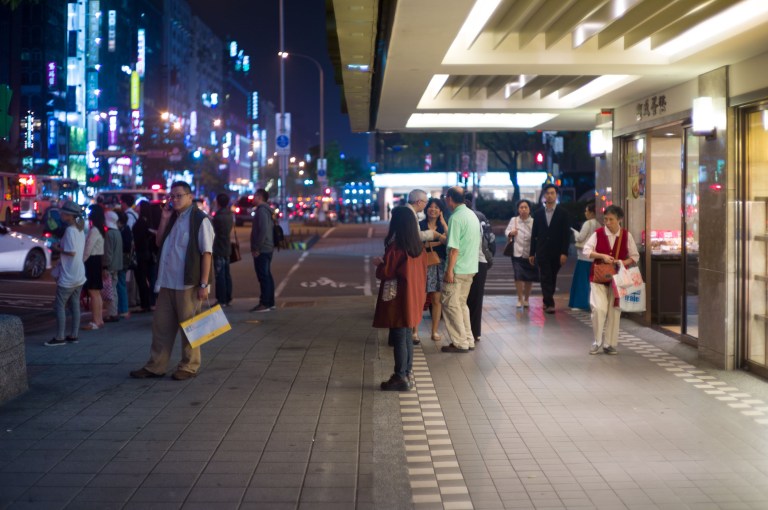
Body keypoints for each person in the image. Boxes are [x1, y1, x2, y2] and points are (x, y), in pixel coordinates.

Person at [129, 181, 214, 381]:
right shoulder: (172, 218)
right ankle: (156, 365)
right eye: (172, 196)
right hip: (167, 282)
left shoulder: (200, 220)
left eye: (179, 195)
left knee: (190, 328)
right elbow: (158, 243)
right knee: (161, 327)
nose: (174, 199)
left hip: (188, 284)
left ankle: (189, 365)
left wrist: (203, 284)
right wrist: (165, 219)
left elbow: (207, 253)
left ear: (190, 197)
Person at [373, 206, 427, 391]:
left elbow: (386, 272)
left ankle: (400, 376)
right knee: (406, 335)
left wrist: (380, 264)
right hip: (413, 295)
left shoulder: (397, 248)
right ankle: (406, 371)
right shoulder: (418, 247)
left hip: (398, 297)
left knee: (398, 335)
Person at [583, 205, 639, 355]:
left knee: (615, 310)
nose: (607, 222)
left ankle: (610, 344)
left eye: (611, 219)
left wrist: (621, 262)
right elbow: (586, 250)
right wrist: (602, 256)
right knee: (598, 308)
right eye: (606, 219)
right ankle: (597, 341)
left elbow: (635, 256)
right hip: (598, 276)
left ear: (619, 220)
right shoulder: (598, 233)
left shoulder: (626, 235)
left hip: (618, 278)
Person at [440, 186, 480, 353]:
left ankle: (460, 342)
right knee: (462, 305)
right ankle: (468, 339)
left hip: (458, 268)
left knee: (450, 305)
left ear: (449, 198)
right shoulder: (472, 215)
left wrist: (449, 270)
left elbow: (454, 248)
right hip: (470, 267)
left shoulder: (455, 218)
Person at [45, 201, 87, 346]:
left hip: (69, 274)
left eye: (63, 213)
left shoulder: (70, 231)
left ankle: (60, 337)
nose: (61, 214)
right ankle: (74, 335)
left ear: (69, 215)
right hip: (79, 273)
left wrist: (57, 248)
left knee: (59, 305)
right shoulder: (80, 229)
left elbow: (71, 251)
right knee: (74, 304)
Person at [529, 184, 571, 314]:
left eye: (552, 193)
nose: (550, 195)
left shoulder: (563, 213)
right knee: (545, 276)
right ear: (544, 195)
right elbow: (534, 234)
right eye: (547, 193)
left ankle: (547, 298)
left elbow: (566, 235)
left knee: (552, 276)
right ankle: (549, 302)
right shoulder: (538, 213)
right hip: (542, 251)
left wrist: (564, 252)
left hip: (557, 252)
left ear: (556, 195)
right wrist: (532, 253)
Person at [419, 197, 448, 342]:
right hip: (422, 265)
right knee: (420, 299)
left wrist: (443, 223)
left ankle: (434, 331)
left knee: (436, 300)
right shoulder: (420, 224)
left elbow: (450, 241)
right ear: (426, 208)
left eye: (437, 207)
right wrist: (437, 241)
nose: (433, 209)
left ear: (441, 211)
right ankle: (414, 332)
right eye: (431, 206)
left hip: (438, 265)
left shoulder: (444, 227)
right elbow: (416, 244)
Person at [465, 192, 492, 343]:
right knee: (476, 298)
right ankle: (475, 332)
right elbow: (490, 238)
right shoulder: (481, 216)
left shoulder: (460, 217)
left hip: (468, 261)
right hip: (481, 261)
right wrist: (489, 257)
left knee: (464, 298)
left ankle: (468, 332)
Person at [505, 199, 537, 308]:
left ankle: (527, 299)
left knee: (529, 278)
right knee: (518, 276)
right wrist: (510, 233)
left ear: (529, 209)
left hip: (529, 254)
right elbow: (507, 231)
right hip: (516, 252)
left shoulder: (533, 222)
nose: (523, 210)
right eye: (521, 207)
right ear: (518, 209)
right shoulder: (514, 220)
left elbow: (537, 235)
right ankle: (519, 299)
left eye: (526, 207)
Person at [569, 201, 600, 310]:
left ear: (591, 212)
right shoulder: (599, 224)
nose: (585, 213)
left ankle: (580, 303)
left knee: (582, 281)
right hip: (594, 256)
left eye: (586, 211)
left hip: (583, 256)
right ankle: (591, 303)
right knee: (591, 282)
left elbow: (580, 238)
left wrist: (575, 233)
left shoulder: (588, 223)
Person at [249, 188, 276, 312]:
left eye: (254, 196)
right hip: (267, 247)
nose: (252, 198)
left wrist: (257, 248)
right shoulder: (266, 210)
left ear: (259, 197)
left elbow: (263, 231)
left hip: (263, 249)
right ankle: (270, 302)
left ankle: (265, 303)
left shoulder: (261, 212)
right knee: (267, 276)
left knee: (263, 276)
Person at [81, 205, 105, 331]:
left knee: (93, 291)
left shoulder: (94, 230)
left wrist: (81, 262)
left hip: (92, 261)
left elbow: (87, 249)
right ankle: (99, 319)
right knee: (96, 292)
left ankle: (95, 321)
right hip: (97, 261)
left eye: (90, 212)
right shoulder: (100, 229)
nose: (88, 214)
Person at [132, 201, 154, 313]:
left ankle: (145, 304)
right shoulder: (147, 221)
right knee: (146, 278)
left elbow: (139, 240)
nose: (137, 207)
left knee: (141, 279)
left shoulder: (140, 222)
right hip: (147, 253)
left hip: (141, 253)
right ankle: (148, 302)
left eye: (139, 205)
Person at [212, 193, 234, 307]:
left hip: (219, 248)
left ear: (218, 202)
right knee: (226, 274)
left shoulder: (218, 216)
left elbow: (214, 232)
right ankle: (228, 297)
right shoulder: (230, 215)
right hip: (227, 248)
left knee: (220, 275)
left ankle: (221, 299)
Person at [102, 210, 123, 323]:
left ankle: (112, 313)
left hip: (110, 266)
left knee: (109, 291)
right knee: (113, 290)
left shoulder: (109, 234)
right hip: (117, 265)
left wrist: (105, 266)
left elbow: (108, 253)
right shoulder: (117, 232)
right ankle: (114, 312)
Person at [116, 210, 133, 319]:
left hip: (122, 260)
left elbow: (126, 246)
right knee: (120, 283)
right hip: (123, 260)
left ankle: (123, 309)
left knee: (120, 284)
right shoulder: (125, 229)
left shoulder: (124, 230)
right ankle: (123, 309)